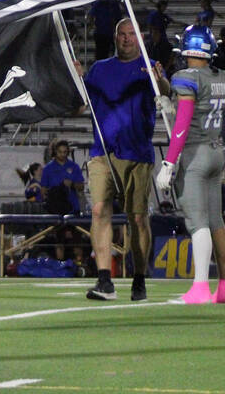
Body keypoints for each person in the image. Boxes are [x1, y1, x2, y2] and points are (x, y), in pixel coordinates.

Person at [80, 18, 168, 302]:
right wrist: (77, 79)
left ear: (139, 38)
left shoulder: (149, 66)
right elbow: (82, 103)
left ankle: (139, 278)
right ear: (115, 37)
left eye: (132, 34)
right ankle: (105, 280)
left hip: (137, 152)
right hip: (102, 151)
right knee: (99, 211)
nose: (127, 39)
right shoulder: (99, 69)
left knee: (138, 217)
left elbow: (165, 92)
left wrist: (160, 81)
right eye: (122, 34)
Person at [154, 26, 225, 305]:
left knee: (197, 221)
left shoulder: (186, 77)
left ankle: (200, 287)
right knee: (216, 222)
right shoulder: (224, 78)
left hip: (195, 154)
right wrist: (170, 100)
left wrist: (168, 161)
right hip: (216, 150)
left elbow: (183, 122)